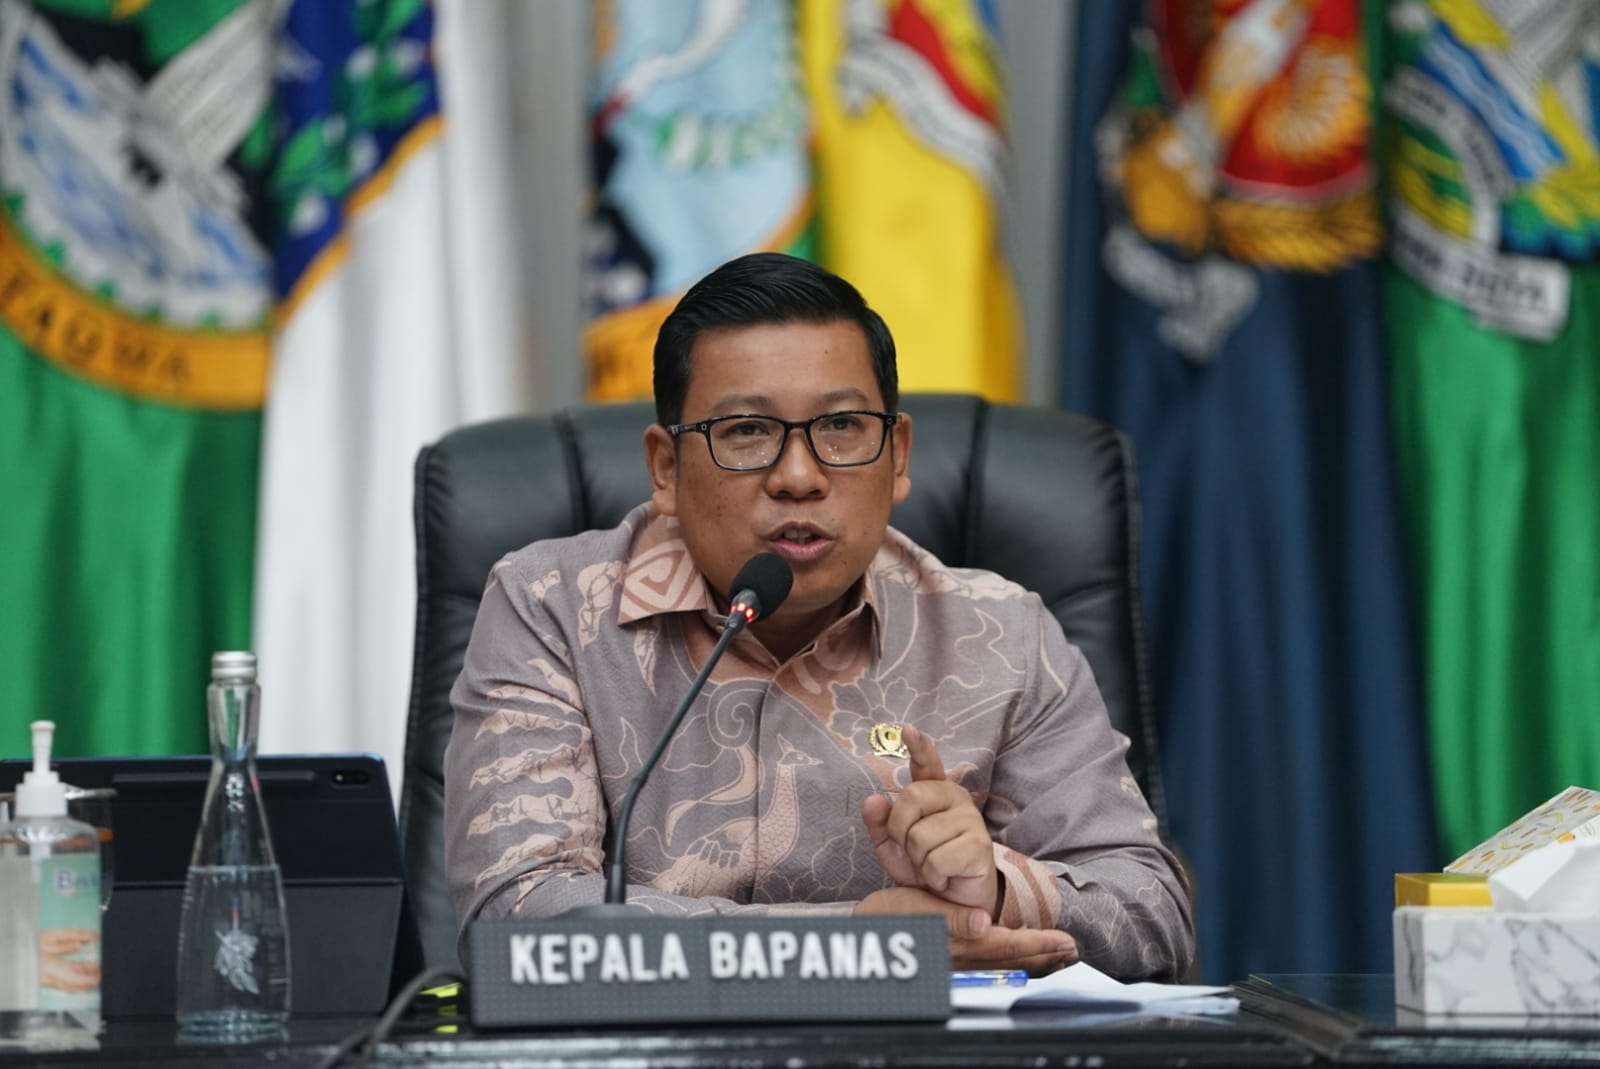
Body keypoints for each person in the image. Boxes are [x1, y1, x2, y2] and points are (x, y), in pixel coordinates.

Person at [444, 253, 1194, 980]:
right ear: (665, 468)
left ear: (897, 455)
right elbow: (514, 913)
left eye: (841, 426)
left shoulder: (1001, 634)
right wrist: (865, 947)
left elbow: (1152, 914)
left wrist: (995, 891)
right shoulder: (552, 608)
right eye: (746, 431)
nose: (799, 476)